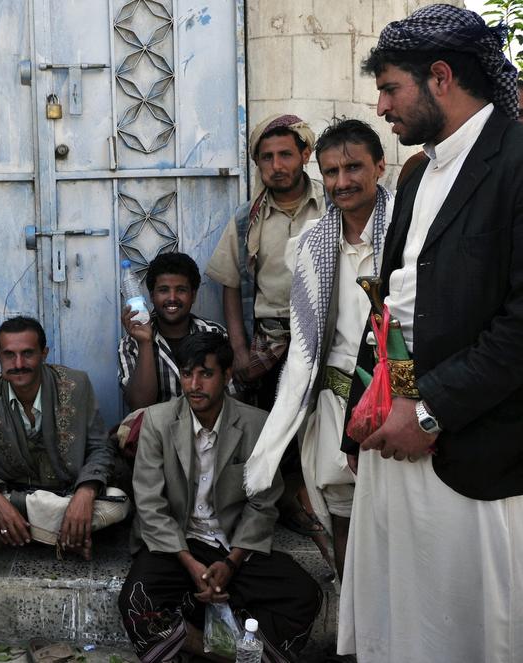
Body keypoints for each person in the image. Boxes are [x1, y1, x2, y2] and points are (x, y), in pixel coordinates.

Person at [339, 6, 523, 662]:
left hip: (472, 448)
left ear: (440, 77)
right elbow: (390, 304)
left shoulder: (516, 162)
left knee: (463, 633)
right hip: (392, 434)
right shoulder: (418, 171)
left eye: (391, 88)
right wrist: (363, 414)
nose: (381, 106)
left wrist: (429, 410)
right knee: (401, 626)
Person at [244, 119, 393, 579]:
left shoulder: (408, 233)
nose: (342, 181)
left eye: (353, 168)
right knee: (343, 519)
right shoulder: (311, 244)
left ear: (380, 167)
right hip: (336, 401)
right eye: (331, 172)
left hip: (396, 400)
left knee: (398, 520)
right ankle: (352, 620)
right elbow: (308, 337)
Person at [118, 332, 322, 663]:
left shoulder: (256, 424)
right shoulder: (157, 421)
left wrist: (230, 563)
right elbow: (151, 506)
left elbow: (262, 503)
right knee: (136, 601)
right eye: (187, 374)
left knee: (304, 594)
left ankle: (225, 642)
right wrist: (191, 564)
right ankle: (224, 653)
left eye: (206, 374)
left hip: (233, 544)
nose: (194, 385)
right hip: (176, 544)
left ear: (227, 376)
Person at [0, 316, 127, 560]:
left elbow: (100, 447)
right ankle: (65, 536)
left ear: (44, 353)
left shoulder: (76, 384)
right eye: (9, 355)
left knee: (118, 502)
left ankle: (11, 532)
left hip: (65, 496)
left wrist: (85, 493)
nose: (18, 364)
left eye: (27, 353)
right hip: (10, 496)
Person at [204, 113, 325, 407]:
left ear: (305, 155)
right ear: (257, 162)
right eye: (267, 157)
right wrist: (239, 349)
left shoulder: (331, 207)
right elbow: (231, 284)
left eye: (286, 155)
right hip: (271, 343)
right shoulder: (246, 220)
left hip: (326, 338)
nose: (277, 166)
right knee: (270, 422)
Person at [118, 252, 226, 409]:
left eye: (181, 290)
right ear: (152, 296)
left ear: (193, 295)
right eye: (164, 290)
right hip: (157, 425)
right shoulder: (131, 343)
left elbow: (232, 398)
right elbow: (140, 406)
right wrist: (145, 342)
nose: (172, 298)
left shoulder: (215, 334)